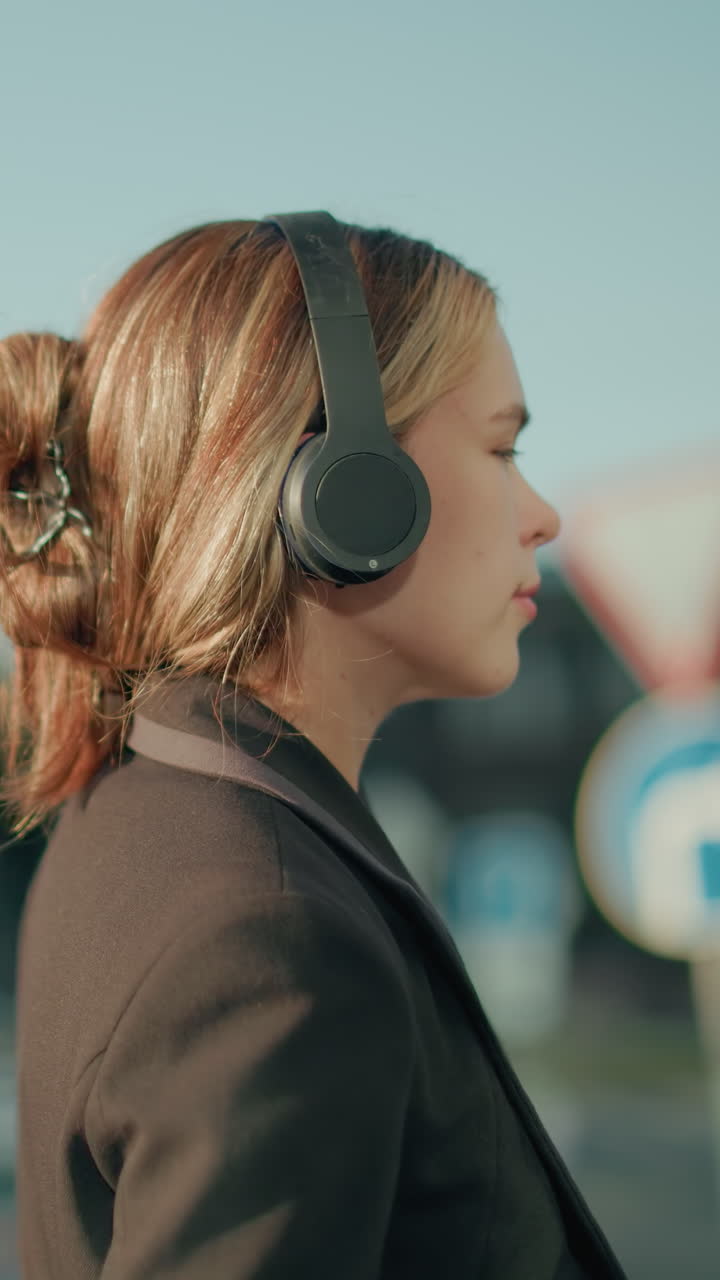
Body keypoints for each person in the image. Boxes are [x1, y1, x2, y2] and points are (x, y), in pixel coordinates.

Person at [0, 214, 626, 1277]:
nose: (544, 512)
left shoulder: (141, 805)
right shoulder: (270, 934)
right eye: (502, 446)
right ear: (346, 485)